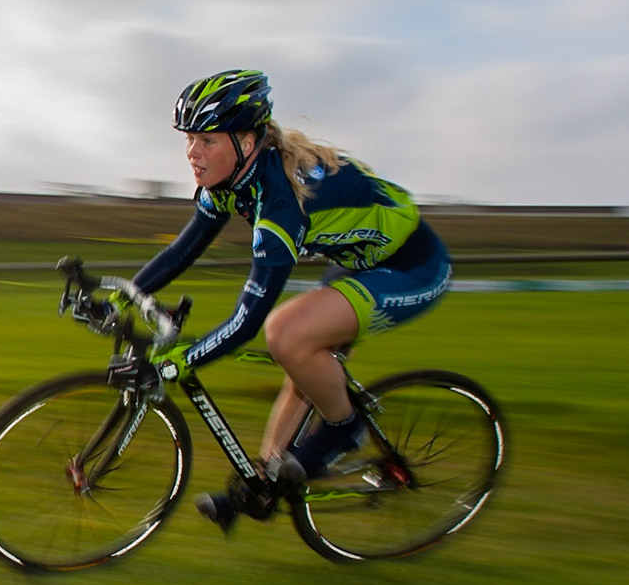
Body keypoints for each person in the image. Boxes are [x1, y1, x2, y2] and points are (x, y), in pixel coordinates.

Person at [130, 69, 451, 532]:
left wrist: (184, 360)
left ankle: (343, 428)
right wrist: (125, 295)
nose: (192, 153)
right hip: (361, 260)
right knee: (302, 361)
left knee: (286, 332)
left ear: (245, 139)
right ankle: (264, 482)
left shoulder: (279, 201)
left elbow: (248, 320)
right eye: (189, 140)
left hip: (413, 267)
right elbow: (183, 250)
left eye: (206, 140)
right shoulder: (234, 179)